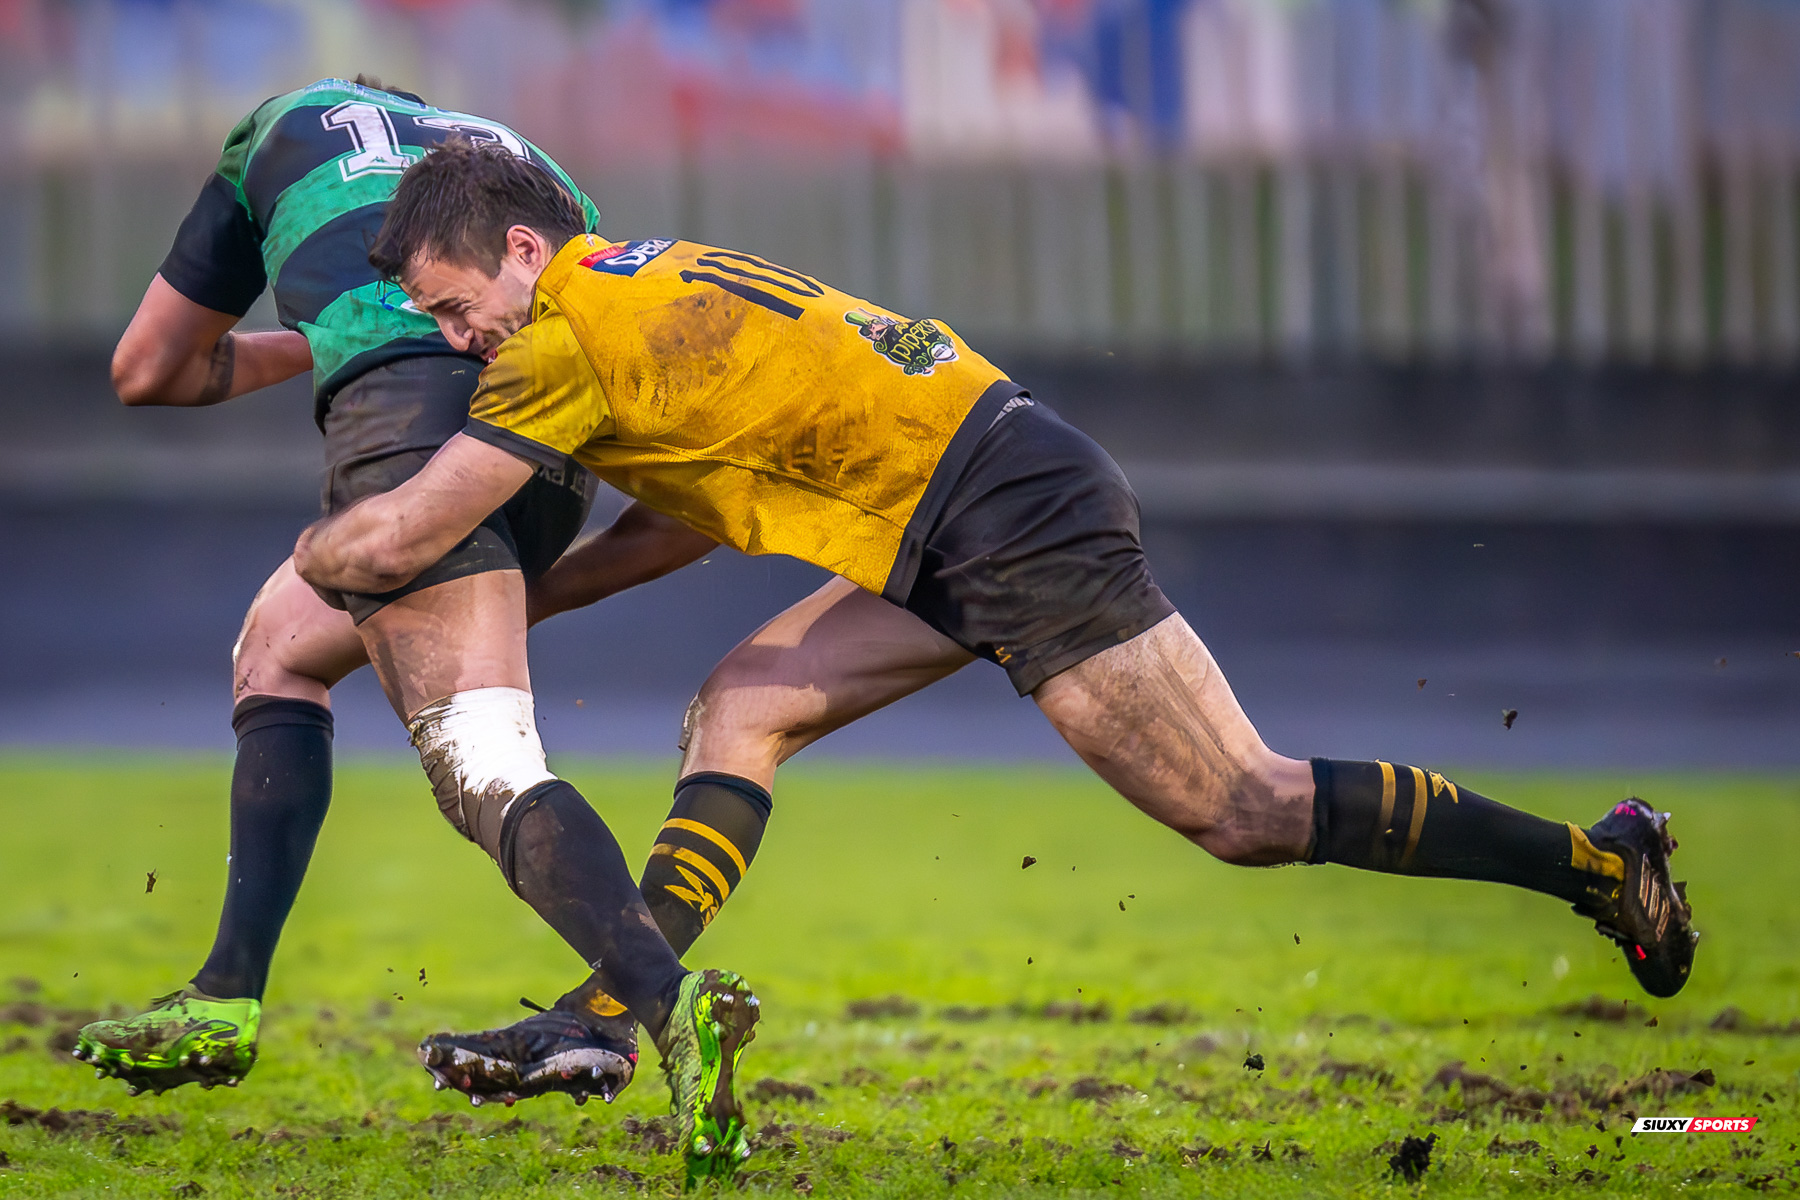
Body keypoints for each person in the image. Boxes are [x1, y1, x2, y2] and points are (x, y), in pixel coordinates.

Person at [294, 136, 1697, 1103]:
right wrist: (532, 604)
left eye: (452, 309)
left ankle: (1600, 860)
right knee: (744, 706)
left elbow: (409, 533)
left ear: (521, 252)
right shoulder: (630, 291)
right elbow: (682, 522)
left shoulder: (554, 343)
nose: (455, 341)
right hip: (963, 498)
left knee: (1244, 808)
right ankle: (610, 1015)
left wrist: (313, 572)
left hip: (998, 504)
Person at [73, 81, 756, 1181]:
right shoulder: (517, 156)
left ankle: (670, 1007)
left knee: (484, 762)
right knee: (281, 648)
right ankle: (223, 995)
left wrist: (319, 331)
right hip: (553, 442)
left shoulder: (277, 131)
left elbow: (149, 371)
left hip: (406, 435)